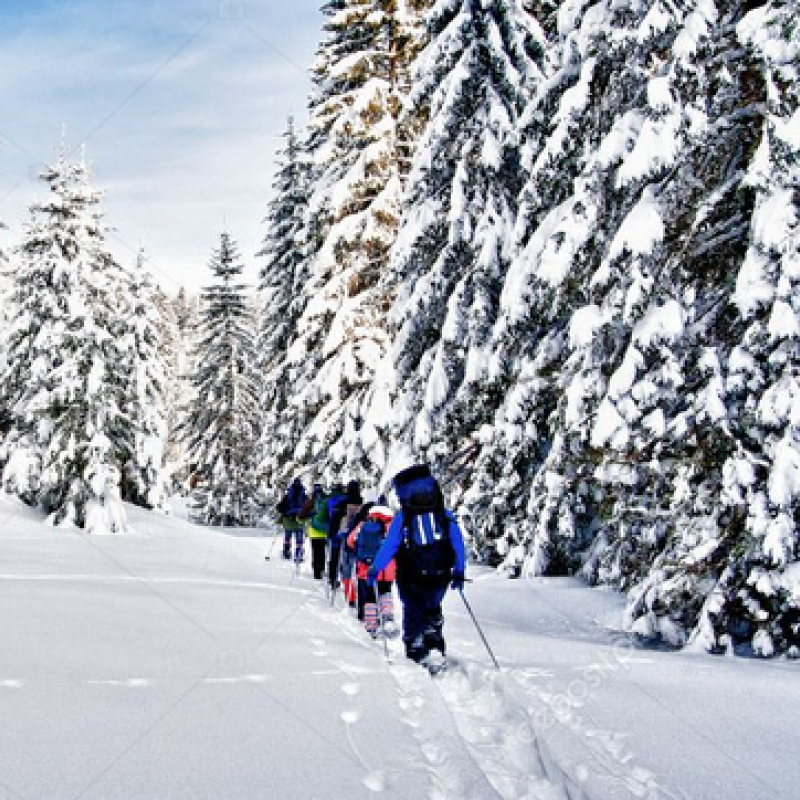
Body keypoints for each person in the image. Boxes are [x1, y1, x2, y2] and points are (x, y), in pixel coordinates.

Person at [367, 465, 466, 663]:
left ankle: (416, 645)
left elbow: (390, 546)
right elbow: (458, 543)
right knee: (432, 605)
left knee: (413, 608)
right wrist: (459, 569)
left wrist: (375, 568)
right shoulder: (443, 515)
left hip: (411, 574)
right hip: (441, 573)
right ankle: (434, 639)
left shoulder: (403, 518)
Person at [347, 499, 396, 636]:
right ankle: (387, 617)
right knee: (385, 592)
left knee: (369, 597)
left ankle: (371, 625)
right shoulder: (391, 525)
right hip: (387, 568)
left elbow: (350, 541)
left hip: (366, 569)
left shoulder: (363, 525)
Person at [326, 480, 362, 597]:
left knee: (335, 557)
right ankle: (352, 586)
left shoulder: (342, 502)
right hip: (355, 535)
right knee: (352, 561)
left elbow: (334, 518)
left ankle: (333, 579)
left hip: (340, 533)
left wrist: (331, 533)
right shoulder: (361, 502)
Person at [298, 483, 328, 580]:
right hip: (324, 531)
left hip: (313, 531)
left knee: (315, 552)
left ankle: (316, 572)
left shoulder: (310, 502)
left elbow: (301, 517)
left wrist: (308, 517)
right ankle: (322, 569)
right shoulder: (326, 501)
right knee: (322, 551)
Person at [276, 477, 307, 562]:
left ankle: (286, 552)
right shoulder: (304, 496)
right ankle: (298, 554)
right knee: (299, 539)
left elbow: (279, 507)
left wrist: (285, 512)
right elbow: (309, 508)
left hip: (288, 520)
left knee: (287, 537)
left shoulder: (288, 496)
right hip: (299, 521)